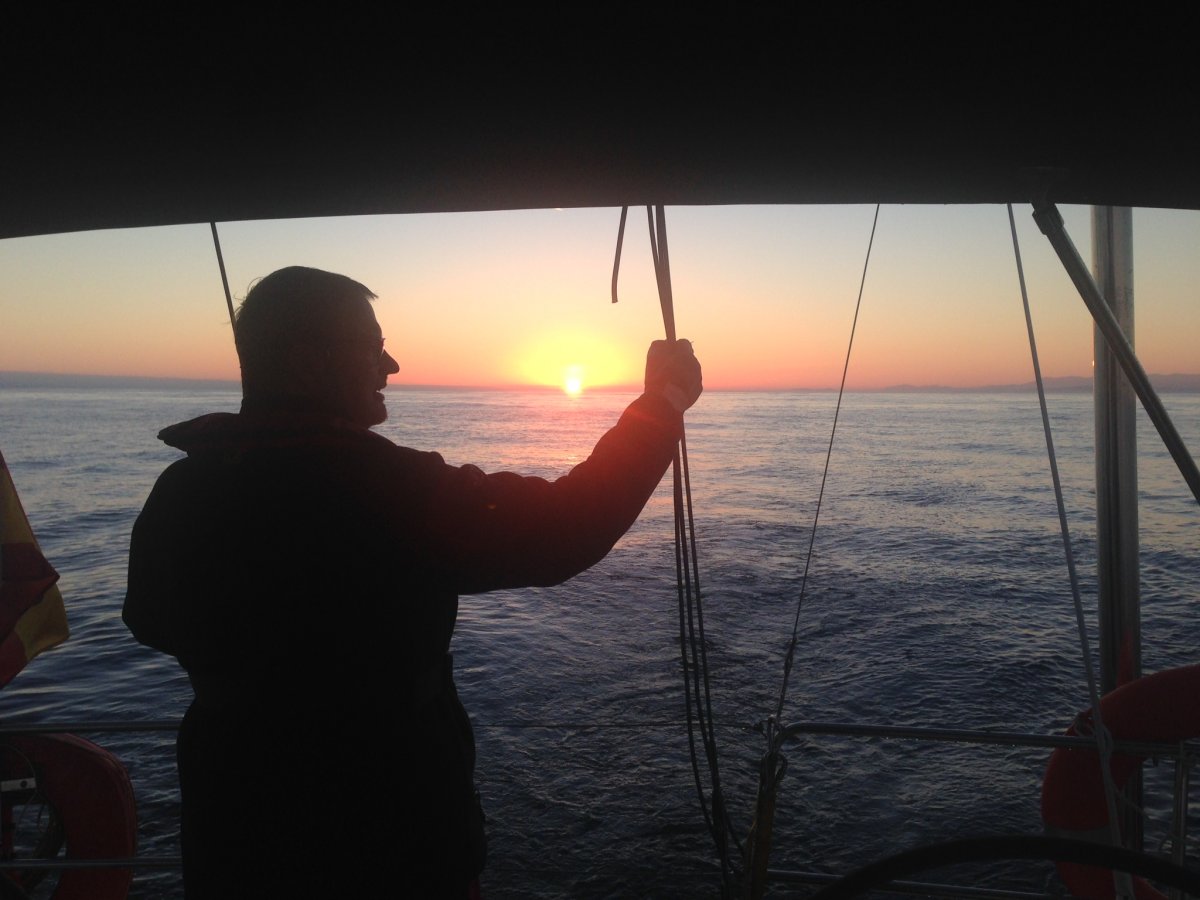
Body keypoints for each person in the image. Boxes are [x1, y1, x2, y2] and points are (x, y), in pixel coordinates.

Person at [122, 266, 702, 898]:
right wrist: (661, 405)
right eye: (372, 346)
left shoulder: (181, 489)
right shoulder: (388, 491)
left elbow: (147, 619)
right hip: (388, 829)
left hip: (235, 826)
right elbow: (568, 526)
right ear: (308, 359)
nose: (390, 364)